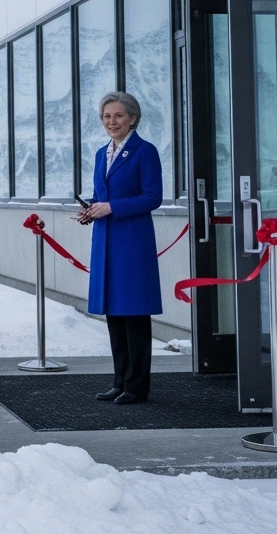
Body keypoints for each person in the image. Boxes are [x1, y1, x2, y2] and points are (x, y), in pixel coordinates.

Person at [77, 92, 164, 405]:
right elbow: (102, 194)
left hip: (132, 243)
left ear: (133, 118)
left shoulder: (145, 151)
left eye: (118, 116)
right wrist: (91, 209)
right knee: (114, 313)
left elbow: (153, 197)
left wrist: (111, 207)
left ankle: (137, 386)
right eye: (106, 116)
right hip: (106, 241)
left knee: (134, 313)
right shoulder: (102, 153)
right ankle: (120, 381)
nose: (111, 122)